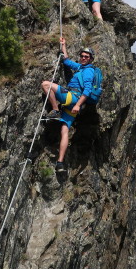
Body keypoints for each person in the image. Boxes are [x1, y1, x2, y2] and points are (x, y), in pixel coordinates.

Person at [40, 37, 96, 172]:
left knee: (46, 84)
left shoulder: (88, 71)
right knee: (64, 130)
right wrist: (63, 45)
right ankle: (60, 163)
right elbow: (66, 61)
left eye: (86, 57)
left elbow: (87, 90)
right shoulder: (80, 68)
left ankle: (55, 110)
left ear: (91, 59)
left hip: (74, 98)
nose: (83, 58)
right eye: (82, 56)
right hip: (74, 103)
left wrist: (77, 104)